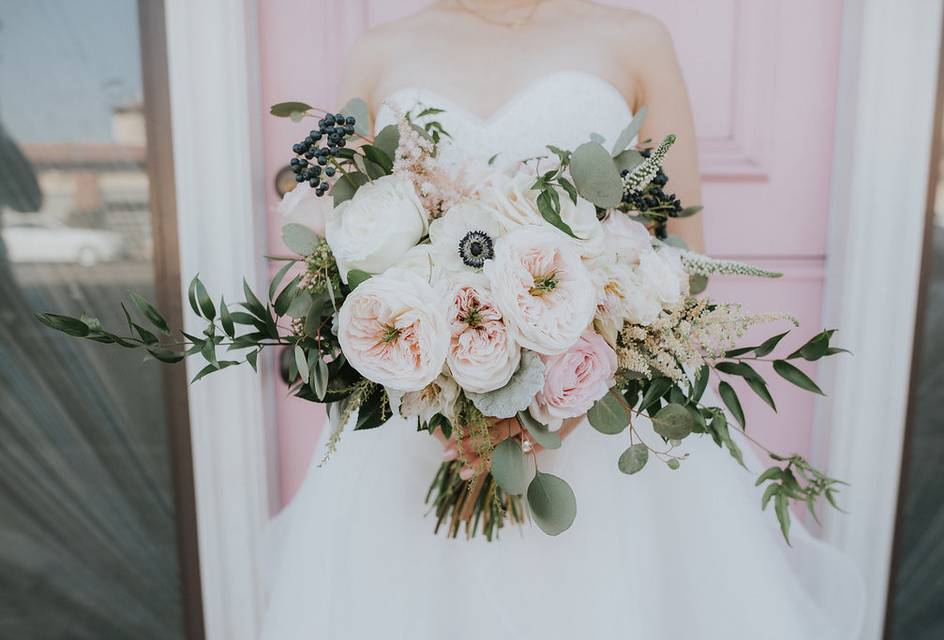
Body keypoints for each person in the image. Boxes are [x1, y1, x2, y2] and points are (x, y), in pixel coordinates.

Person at [261, 2, 863, 638]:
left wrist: (577, 386)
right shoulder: (376, 53)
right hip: (416, 429)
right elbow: (346, 242)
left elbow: (683, 253)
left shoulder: (636, 41)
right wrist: (436, 393)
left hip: (603, 429)